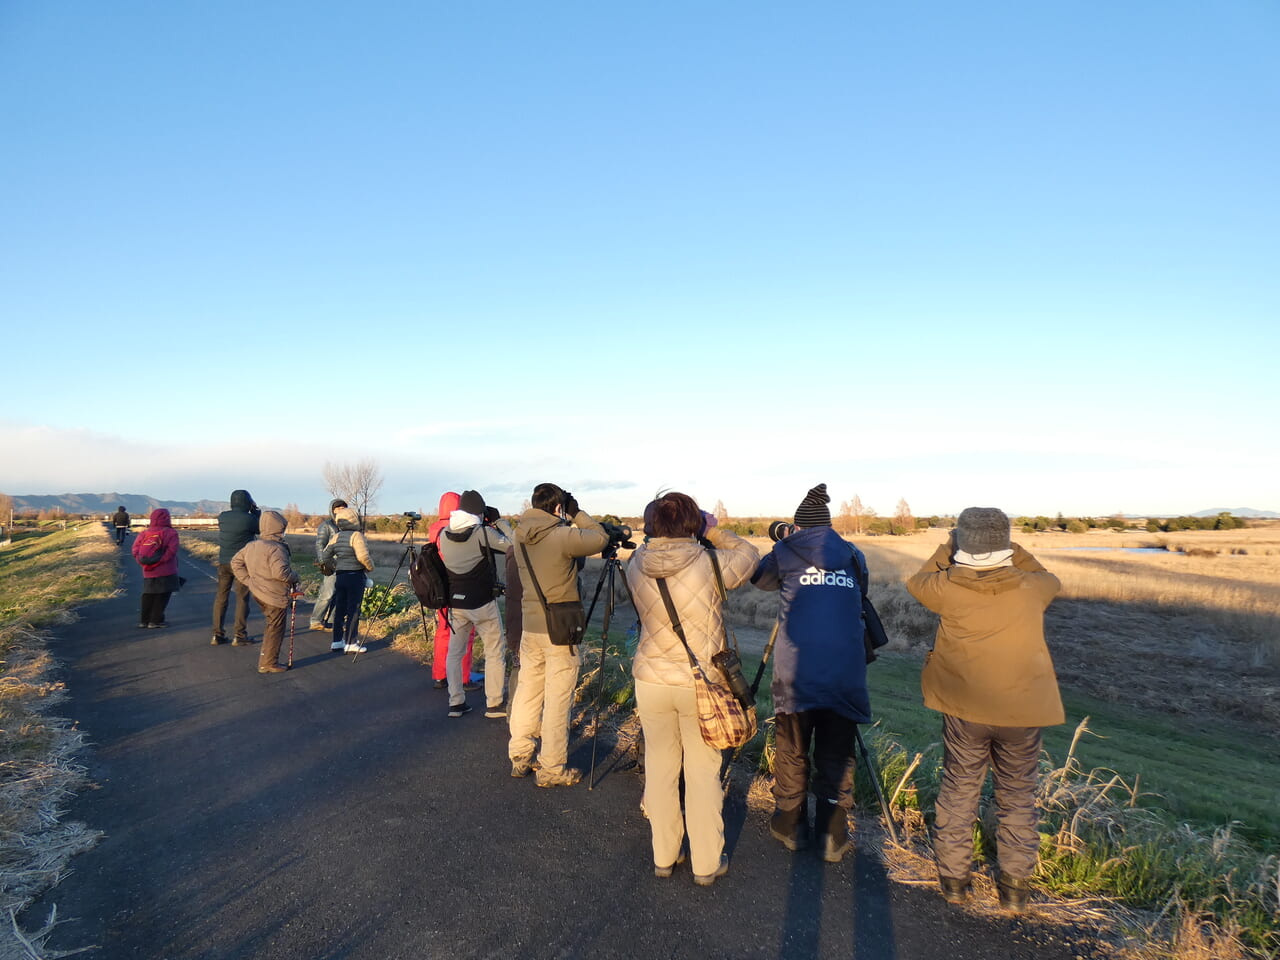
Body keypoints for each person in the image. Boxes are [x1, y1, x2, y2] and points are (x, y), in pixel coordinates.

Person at [905, 507, 1063, 912]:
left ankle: (955, 881)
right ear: (1005, 545)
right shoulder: (1034, 588)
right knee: (1018, 796)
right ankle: (1014, 887)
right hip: (1023, 711)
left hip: (966, 709)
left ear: (964, 544)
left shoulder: (945, 589)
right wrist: (1010, 547)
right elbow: (1047, 574)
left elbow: (917, 580)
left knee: (959, 790)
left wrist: (949, 545)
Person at [626, 492, 759, 885]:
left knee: (660, 768)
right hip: (701, 684)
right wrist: (715, 532)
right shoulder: (710, 563)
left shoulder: (635, 563)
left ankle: (664, 856)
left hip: (650, 678)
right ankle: (705, 863)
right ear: (693, 524)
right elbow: (750, 555)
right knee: (702, 773)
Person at [750, 483, 871, 864]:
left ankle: (790, 823)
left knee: (793, 750)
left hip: (797, 675)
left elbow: (760, 580)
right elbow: (861, 591)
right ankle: (833, 833)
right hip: (846, 674)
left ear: (798, 526)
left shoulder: (786, 552)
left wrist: (782, 544)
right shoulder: (852, 554)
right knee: (837, 753)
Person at [508, 483, 608, 787]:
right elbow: (600, 538)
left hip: (531, 626)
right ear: (557, 507)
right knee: (557, 699)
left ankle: (520, 754)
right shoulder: (563, 535)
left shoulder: (519, 534)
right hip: (560, 629)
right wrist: (576, 513)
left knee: (528, 691)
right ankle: (551, 768)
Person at [437, 491, 512, 719]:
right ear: (479, 511)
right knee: (494, 652)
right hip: (482, 603)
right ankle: (494, 704)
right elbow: (514, 545)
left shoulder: (443, 533)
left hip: (456, 603)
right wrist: (500, 522)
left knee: (454, 653)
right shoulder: (482, 533)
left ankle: (456, 702)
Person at [231, 510, 302, 674]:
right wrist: (295, 577)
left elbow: (236, 562)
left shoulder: (252, 545)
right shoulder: (276, 548)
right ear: (278, 528)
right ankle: (268, 663)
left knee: (271, 626)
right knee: (275, 628)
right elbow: (281, 573)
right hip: (274, 595)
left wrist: (249, 581)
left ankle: (267, 660)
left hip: (259, 593)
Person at [427, 492, 478, 691]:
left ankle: (440, 676)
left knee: (443, 632)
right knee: (465, 633)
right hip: (459, 586)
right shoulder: (459, 528)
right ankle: (463, 678)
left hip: (438, 589)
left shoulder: (434, 529)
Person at [320, 506, 375, 654]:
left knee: (339, 609)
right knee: (353, 610)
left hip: (341, 575)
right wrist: (370, 567)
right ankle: (351, 642)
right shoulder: (357, 536)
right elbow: (363, 556)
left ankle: (337, 641)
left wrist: (334, 566)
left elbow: (325, 556)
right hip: (355, 576)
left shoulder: (336, 536)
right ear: (354, 520)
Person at [212, 490, 260, 646]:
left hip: (223, 562)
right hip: (242, 564)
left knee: (221, 598)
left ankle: (217, 634)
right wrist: (256, 512)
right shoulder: (250, 519)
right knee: (242, 598)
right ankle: (239, 635)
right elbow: (260, 529)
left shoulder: (223, 517)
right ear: (247, 502)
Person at [132, 508, 181, 628]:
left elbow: (135, 550)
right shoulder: (171, 533)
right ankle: (156, 620)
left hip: (148, 570)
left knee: (148, 594)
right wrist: (161, 561)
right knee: (162, 594)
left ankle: (144, 621)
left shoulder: (144, 533)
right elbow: (172, 551)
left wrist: (142, 562)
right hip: (166, 569)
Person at [309, 498, 347, 631]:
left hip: (346, 564)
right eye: (338, 508)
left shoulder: (347, 525)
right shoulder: (326, 526)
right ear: (332, 510)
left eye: (343, 508)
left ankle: (332, 621)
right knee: (327, 594)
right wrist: (324, 562)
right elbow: (320, 545)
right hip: (331, 563)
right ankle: (316, 620)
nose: (341, 510)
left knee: (340, 595)